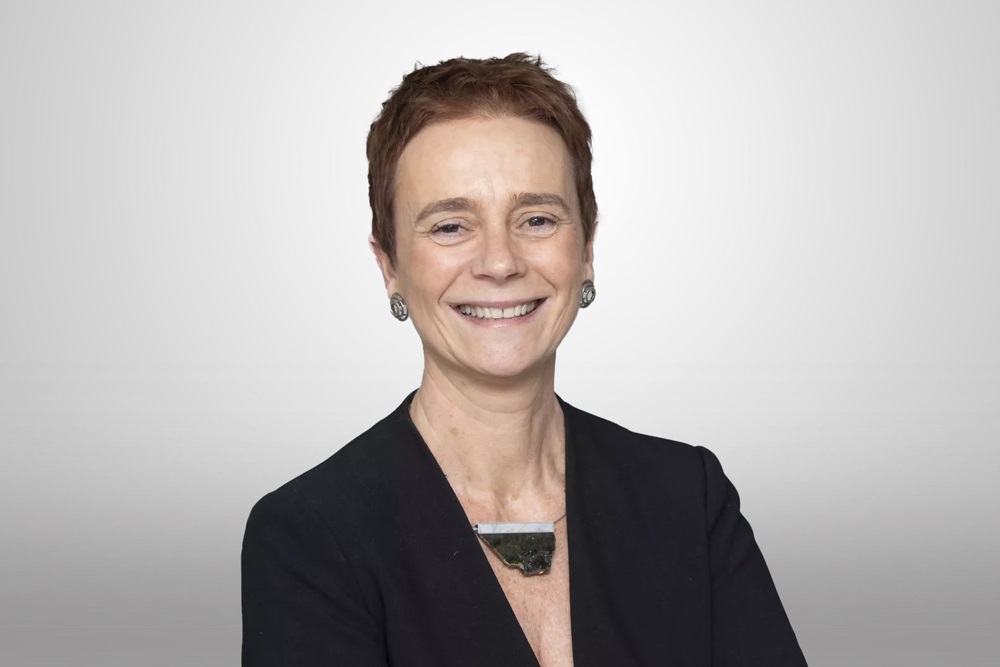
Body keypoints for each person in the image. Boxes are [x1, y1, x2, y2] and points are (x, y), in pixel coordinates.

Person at [241, 53, 807, 666]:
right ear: (390, 267)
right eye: (450, 226)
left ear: (586, 250)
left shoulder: (687, 498)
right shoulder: (310, 537)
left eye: (536, 219)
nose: (500, 262)